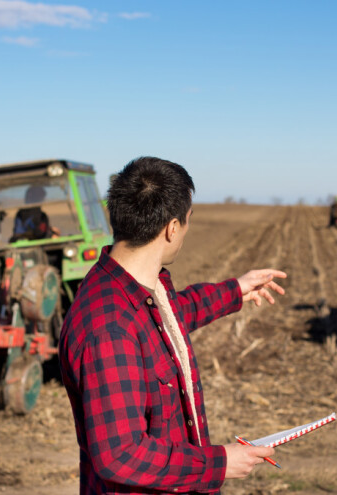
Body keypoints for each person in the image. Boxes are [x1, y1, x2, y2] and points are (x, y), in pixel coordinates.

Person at [59, 156, 287, 494]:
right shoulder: (109, 330)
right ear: (172, 228)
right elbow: (120, 455)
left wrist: (236, 290)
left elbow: (173, 315)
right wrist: (220, 462)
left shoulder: (136, 290)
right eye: (188, 220)